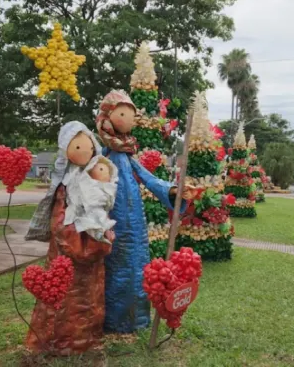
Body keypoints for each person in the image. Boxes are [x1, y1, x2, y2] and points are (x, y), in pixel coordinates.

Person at [96, 89, 195, 333]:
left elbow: (150, 179)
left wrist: (174, 192)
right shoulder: (101, 158)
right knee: (113, 269)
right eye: (122, 114)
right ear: (107, 118)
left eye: (131, 115)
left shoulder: (129, 156)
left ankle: (137, 319)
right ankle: (112, 320)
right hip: (110, 224)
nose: (130, 120)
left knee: (136, 267)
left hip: (135, 225)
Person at [24, 121, 114, 355]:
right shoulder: (65, 186)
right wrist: (83, 244)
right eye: (77, 148)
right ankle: (63, 342)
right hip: (70, 253)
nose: (85, 153)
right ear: (66, 150)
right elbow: (61, 223)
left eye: (89, 148)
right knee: (66, 296)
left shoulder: (93, 180)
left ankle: (87, 339)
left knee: (88, 297)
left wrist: (99, 233)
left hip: (91, 249)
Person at [64, 155, 118, 244]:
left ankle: (103, 233)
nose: (105, 174)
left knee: (99, 217)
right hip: (88, 212)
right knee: (94, 218)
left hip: (99, 211)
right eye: (101, 170)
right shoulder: (89, 186)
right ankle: (102, 233)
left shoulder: (106, 187)